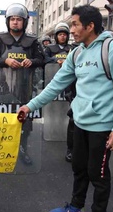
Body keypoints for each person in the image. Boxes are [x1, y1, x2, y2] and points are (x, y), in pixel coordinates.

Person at [17, 5, 113, 212]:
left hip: (103, 126)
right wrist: (29, 106)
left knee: (98, 174)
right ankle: (75, 206)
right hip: (79, 122)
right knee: (79, 168)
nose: (71, 30)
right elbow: (55, 85)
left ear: (90, 26)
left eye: (75, 24)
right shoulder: (77, 53)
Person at [0, 3, 44, 165]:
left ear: (24, 22)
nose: (15, 22)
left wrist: (31, 61)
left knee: (24, 121)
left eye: (18, 19)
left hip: (25, 88)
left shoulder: (33, 41)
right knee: (1, 119)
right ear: (8, 21)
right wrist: (5, 60)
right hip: (1, 87)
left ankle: (22, 149)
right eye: (12, 19)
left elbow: (42, 60)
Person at [44, 22, 75, 162]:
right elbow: (44, 59)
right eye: (60, 34)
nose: (62, 37)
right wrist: (58, 61)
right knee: (53, 107)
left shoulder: (72, 48)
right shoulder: (50, 48)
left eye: (64, 34)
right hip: (53, 80)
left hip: (69, 84)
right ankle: (52, 129)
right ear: (56, 36)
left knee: (69, 111)